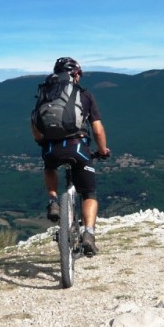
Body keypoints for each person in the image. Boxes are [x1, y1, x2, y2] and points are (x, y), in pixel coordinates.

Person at [31, 57, 111, 255]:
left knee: (49, 167)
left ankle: (53, 201)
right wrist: (102, 151)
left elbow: (34, 122)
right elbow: (98, 129)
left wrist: (42, 141)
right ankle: (89, 234)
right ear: (76, 75)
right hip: (77, 147)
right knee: (89, 194)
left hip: (51, 148)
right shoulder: (84, 95)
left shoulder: (46, 94)